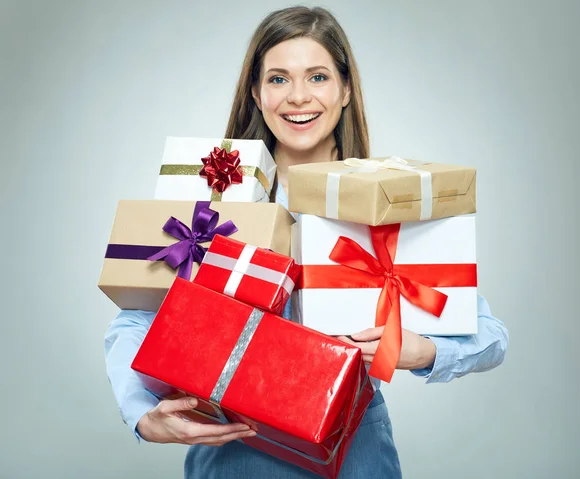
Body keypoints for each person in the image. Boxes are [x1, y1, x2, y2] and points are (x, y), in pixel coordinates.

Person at [104, 6, 509, 478]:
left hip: (352, 450)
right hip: (232, 447)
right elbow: (136, 318)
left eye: (317, 77)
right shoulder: (214, 196)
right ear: (256, 93)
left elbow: (489, 333)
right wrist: (140, 414)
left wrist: (424, 352)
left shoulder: (384, 198)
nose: (298, 97)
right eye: (278, 79)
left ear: (344, 89)